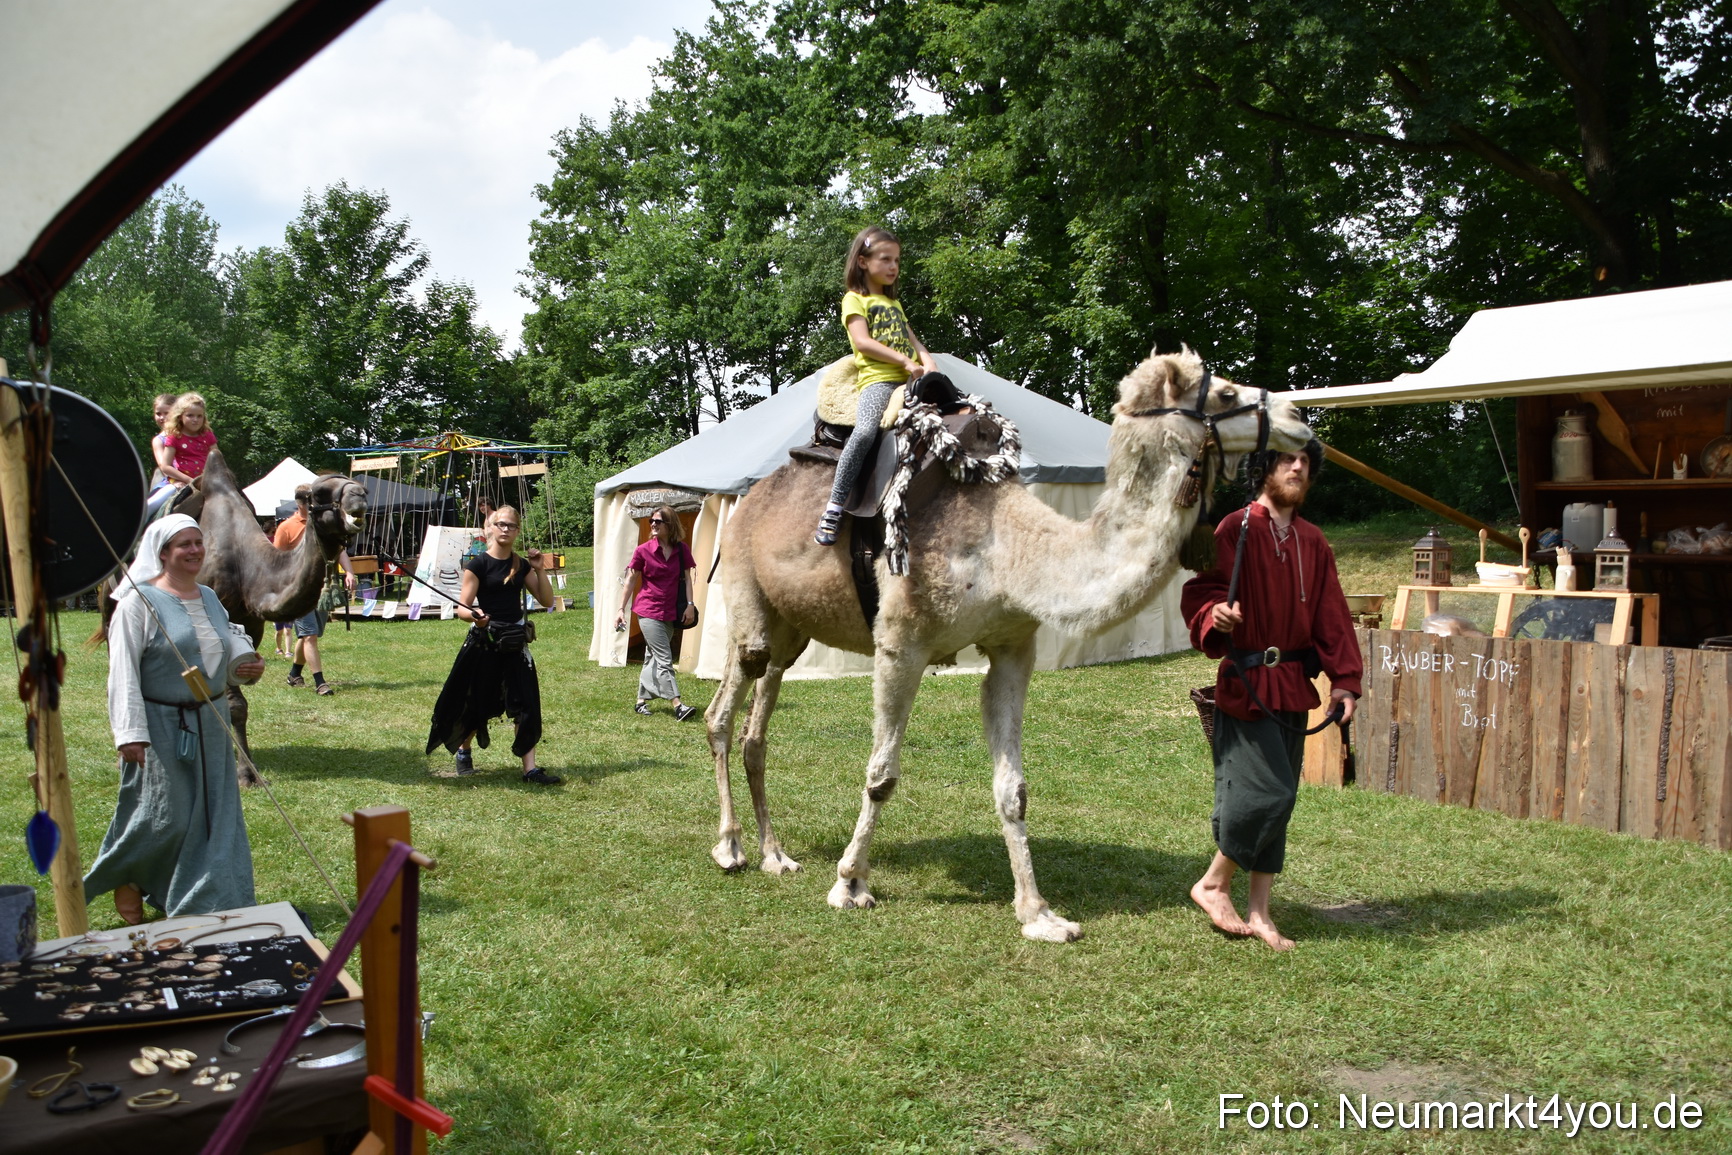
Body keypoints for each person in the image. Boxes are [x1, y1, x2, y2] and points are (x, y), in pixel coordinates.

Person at [1179, 447, 1362, 951]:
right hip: (1248, 682)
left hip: (1293, 686)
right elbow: (1201, 591)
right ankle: (1213, 883)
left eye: (1305, 461)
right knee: (1267, 794)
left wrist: (1345, 679)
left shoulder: (1313, 540)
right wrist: (1217, 613)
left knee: (1283, 802)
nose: (1297, 468)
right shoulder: (1235, 528)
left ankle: (1260, 910)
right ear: (1263, 470)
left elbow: (1332, 612)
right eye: (1286, 459)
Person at [84, 514, 266, 922]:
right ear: (162, 553)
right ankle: (130, 875)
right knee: (163, 815)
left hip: (212, 722)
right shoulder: (137, 603)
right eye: (184, 544)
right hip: (161, 725)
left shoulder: (207, 596)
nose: (194, 550)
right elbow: (123, 672)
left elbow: (222, 645)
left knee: (214, 818)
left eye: (198, 542)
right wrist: (130, 733)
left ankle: (211, 900)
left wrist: (246, 668)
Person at [815, 225, 956, 546]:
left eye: (897, 260)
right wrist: (905, 362)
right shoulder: (854, 300)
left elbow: (913, 340)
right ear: (863, 261)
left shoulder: (893, 304)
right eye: (885, 259)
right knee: (865, 432)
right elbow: (862, 343)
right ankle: (834, 506)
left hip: (911, 381)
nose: (894, 267)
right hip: (879, 380)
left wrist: (927, 361)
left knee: (956, 416)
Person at [426, 505, 561, 784]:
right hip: (485, 643)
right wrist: (476, 617)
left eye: (511, 526)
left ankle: (530, 770)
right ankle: (464, 751)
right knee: (478, 702)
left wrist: (539, 570)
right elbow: (462, 609)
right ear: (490, 527)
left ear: (517, 531)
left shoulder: (521, 564)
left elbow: (547, 601)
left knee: (526, 706)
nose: (505, 530)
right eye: (500, 524)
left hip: (515, 643)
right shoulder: (477, 565)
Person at [615, 505, 699, 720]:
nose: (652, 524)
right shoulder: (643, 550)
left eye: (658, 521)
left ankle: (640, 701)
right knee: (664, 657)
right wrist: (620, 609)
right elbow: (631, 580)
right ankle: (678, 704)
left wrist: (690, 604)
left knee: (651, 656)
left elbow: (688, 578)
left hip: (671, 611)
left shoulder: (682, 550)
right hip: (648, 610)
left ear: (669, 525)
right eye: (652, 520)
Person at [272, 483, 357, 695]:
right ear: (301, 504)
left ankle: (294, 674)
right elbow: (275, 560)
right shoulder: (286, 528)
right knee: (309, 635)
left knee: (310, 635)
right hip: (298, 590)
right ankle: (320, 682)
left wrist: (349, 572)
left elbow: (339, 550)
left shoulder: (323, 525)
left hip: (322, 588)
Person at [147, 392, 218, 515]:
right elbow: (165, 466)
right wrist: (189, 481)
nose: (195, 420)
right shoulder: (173, 437)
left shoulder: (207, 435)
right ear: (180, 416)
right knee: (152, 504)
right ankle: (138, 527)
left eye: (199, 416)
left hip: (206, 481)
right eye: (190, 415)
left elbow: (217, 460)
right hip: (177, 481)